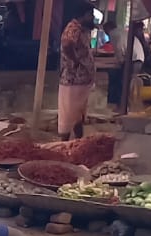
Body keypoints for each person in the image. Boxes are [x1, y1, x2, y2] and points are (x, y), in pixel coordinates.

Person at [58, 8, 97, 140]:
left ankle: (78, 141)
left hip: (82, 79)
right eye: (91, 15)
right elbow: (67, 44)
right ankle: (64, 144)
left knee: (78, 113)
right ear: (84, 14)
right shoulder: (73, 27)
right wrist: (74, 60)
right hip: (73, 79)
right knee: (68, 113)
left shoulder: (81, 29)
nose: (92, 18)